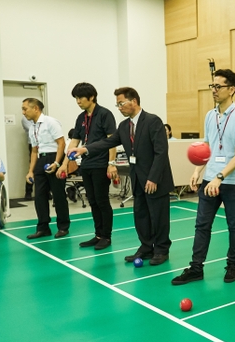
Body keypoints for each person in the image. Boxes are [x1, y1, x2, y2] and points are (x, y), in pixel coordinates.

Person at [70, 87, 174, 266]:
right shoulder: (124, 126)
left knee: (159, 216)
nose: (119, 107)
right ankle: (146, 247)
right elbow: (108, 142)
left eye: (121, 103)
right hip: (138, 179)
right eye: (117, 104)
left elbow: (161, 152)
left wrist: (153, 178)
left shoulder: (153, 121)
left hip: (154, 179)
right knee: (140, 215)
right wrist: (85, 148)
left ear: (133, 101)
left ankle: (162, 249)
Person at [171, 69, 235, 285]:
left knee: (234, 225)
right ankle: (196, 267)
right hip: (210, 180)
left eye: (218, 86)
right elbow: (207, 147)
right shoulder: (210, 115)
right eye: (212, 86)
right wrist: (197, 170)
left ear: (231, 89)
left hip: (232, 182)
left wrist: (219, 177)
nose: (214, 90)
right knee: (202, 225)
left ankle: (232, 265)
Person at [59, 83, 117, 251]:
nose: (77, 101)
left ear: (91, 97)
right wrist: (64, 164)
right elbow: (74, 142)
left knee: (102, 201)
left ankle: (106, 236)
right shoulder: (81, 118)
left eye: (80, 98)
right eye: (75, 98)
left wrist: (111, 164)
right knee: (92, 201)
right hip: (87, 164)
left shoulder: (105, 114)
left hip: (101, 164)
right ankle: (98, 234)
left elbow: (111, 140)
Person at [22, 98, 70, 239]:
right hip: (40, 160)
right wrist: (31, 170)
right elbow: (34, 150)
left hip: (54, 157)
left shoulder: (51, 122)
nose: (23, 112)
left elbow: (61, 144)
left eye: (25, 108)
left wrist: (56, 163)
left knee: (58, 194)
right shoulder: (32, 128)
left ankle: (63, 226)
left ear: (36, 108)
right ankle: (43, 227)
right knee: (40, 196)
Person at [21, 115, 33, 200]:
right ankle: (28, 192)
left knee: (44, 168)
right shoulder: (25, 118)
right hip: (33, 145)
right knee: (32, 167)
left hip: (44, 145)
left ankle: (47, 192)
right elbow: (31, 129)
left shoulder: (44, 118)